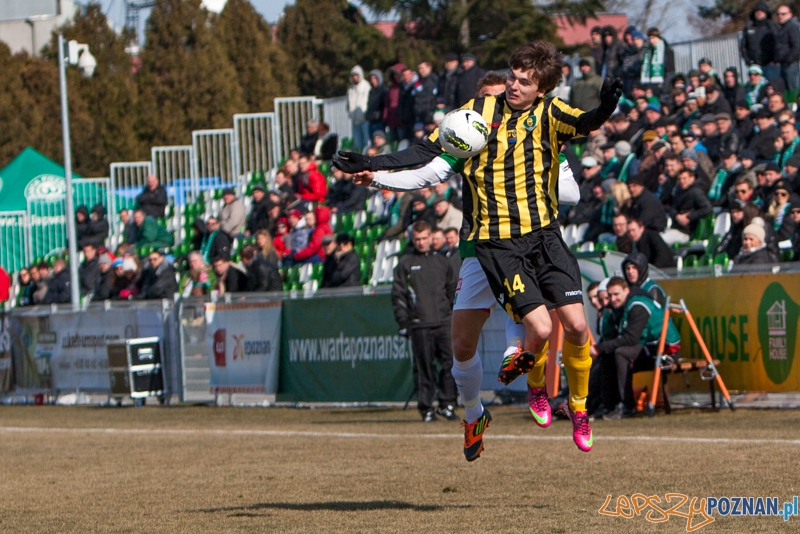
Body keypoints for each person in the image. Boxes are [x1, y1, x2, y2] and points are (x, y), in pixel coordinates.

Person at [337, 40, 621, 457]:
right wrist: (373, 165)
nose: (511, 87)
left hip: (542, 237)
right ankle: (476, 413)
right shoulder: (473, 127)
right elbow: (426, 163)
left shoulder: (549, 123)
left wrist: (606, 107)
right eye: (509, 79)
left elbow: (584, 136)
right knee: (470, 343)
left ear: (541, 89)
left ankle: (570, 403)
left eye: (521, 81)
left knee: (571, 327)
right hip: (485, 245)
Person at [391, 221, 457, 422]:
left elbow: (452, 290)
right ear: (413, 239)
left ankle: (447, 404)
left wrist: (451, 315)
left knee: (451, 364)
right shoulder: (405, 264)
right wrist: (404, 322)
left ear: (431, 237)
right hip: (420, 324)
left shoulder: (442, 262)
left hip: (444, 322)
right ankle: (426, 408)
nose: (421, 242)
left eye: (424, 238)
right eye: (417, 239)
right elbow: (398, 296)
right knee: (424, 368)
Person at [592, 277, 680, 420]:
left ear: (626, 290)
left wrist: (598, 348)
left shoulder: (638, 305)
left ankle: (627, 407)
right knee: (607, 355)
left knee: (621, 353)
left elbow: (630, 339)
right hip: (649, 346)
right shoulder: (624, 305)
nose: (613, 299)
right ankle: (608, 406)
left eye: (616, 294)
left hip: (666, 350)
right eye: (610, 295)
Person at [663, 168, 713, 245]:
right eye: (680, 179)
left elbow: (707, 208)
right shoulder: (678, 192)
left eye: (684, 178)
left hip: (685, 232)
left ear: (692, 178)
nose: (682, 181)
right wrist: (677, 216)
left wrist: (689, 216)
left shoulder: (696, 192)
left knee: (661, 241)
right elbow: (672, 208)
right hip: (675, 228)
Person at [742, 3, 778, 71]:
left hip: (770, 65)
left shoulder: (772, 27)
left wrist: (775, 60)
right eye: (757, 11)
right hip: (754, 65)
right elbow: (743, 46)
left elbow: (778, 44)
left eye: (762, 11)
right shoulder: (749, 27)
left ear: (766, 12)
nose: (759, 13)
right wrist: (748, 61)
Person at [775, 4, 800, 94]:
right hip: (783, 64)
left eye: (783, 14)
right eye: (778, 14)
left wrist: (789, 59)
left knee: (793, 90)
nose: (780, 16)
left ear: (790, 14)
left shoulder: (792, 27)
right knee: (785, 91)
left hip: (791, 65)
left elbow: (797, 45)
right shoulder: (781, 29)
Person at [347, 65, 371, 151]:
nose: (355, 78)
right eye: (353, 76)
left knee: (367, 141)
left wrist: (366, 114)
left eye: (356, 76)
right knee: (358, 143)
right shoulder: (350, 89)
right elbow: (348, 103)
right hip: (355, 120)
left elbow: (368, 101)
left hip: (364, 119)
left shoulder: (366, 86)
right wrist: (350, 113)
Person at [367, 70, 388, 134]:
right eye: (371, 79)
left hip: (379, 121)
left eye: (375, 78)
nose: (373, 80)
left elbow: (385, 105)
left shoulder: (384, 90)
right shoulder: (371, 91)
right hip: (371, 120)